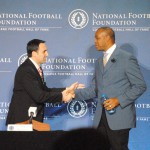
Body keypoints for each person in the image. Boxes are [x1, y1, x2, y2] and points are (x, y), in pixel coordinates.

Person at [75, 27, 147, 150]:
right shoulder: (98, 62)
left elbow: (140, 86)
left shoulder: (126, 58)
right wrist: (72, 94)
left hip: (119, 117)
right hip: (100, 118)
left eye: (97, 38)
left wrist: (118, 100)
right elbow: (94, 90)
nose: (95, 41)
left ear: (107, 38)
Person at [6, 39, 79, 125]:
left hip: (31, 121)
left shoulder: (36, 69)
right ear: (34, 53)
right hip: (22, 121)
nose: (47, 54)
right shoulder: (26, 70)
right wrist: (62, 96)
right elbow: (39, 96)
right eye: (44, 51)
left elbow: (45, 90)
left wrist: (67, 89)